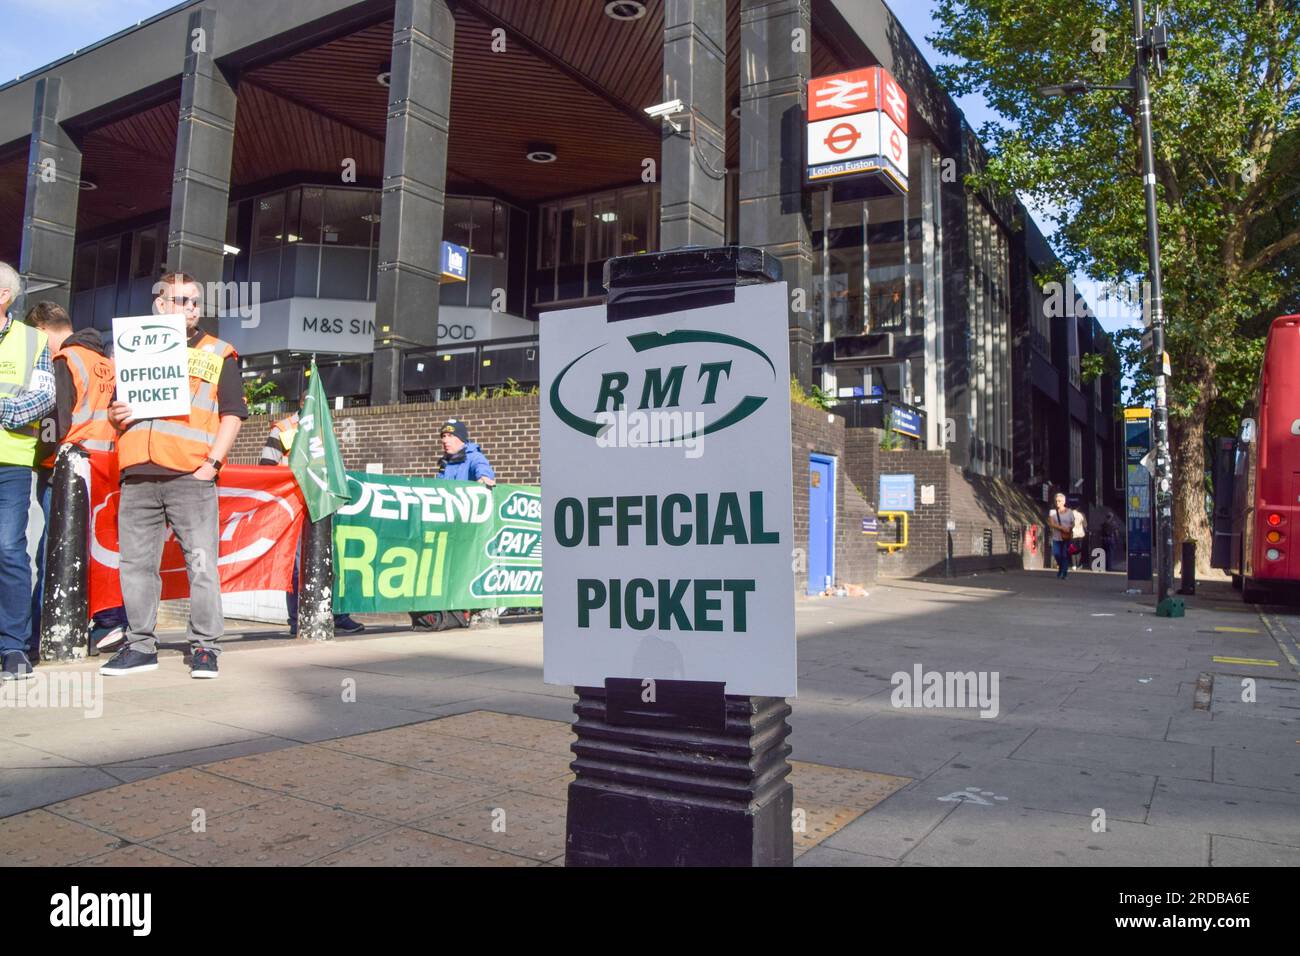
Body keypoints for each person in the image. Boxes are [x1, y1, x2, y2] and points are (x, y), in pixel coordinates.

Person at [100, 273, 247, 678]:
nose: (192, 308)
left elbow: (233, 414)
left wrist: (211, 466)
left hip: (190, 475)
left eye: (196, 301)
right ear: (160, 305)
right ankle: (141, 646)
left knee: (200, 564)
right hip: (138, 474)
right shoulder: (132, 349)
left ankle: (205, 647)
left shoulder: (220, 352)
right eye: (182, 300)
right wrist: (116, 414)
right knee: (135, 565)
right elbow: (116, 411)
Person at [26, 301, 127, 656]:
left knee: (52, 552)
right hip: (107, 467)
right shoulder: (106, 362)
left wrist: (41, 462)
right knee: (100, 552)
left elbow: (56, 421)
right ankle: (109, 624)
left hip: (68, 468)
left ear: (41, 331)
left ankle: (42, 633)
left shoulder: (64, 361)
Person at [258, 400, 364, 635]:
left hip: (322, 507)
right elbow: (266, 467)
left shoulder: (326, 429)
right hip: (295, 508)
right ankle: (297, 622)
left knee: (330, 564)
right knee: (297, 567)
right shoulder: (284, 429)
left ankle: (335, 615)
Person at [0, 262, 55, 681]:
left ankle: (12, 647)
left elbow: (39, 401)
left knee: (8, 550)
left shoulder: (33, 340)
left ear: (5, 296)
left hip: (11, 464)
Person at [410, 419, 495, 631]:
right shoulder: (445, 463)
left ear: (461, 439)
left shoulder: (474, 457)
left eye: (450, 436)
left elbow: (484, 473)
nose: (445, 441)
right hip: (448, 528)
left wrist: (484, 479)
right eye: (443, 437)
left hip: (468, 528)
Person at [1047, 493, 1076, 580]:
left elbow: (1073, 523)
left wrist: (1070, 528)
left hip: (1066, 537)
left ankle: (1064, 573)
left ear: (1064, 502)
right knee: (1056, 554)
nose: (1057, 502)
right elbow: (1051, 524)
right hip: (1056, 537)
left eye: (1059, 501)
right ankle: (1061, 568)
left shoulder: (1070, 512)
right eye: (1056, 501)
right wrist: (1062, 528)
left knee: (1064, 555)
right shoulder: (1052, 512)